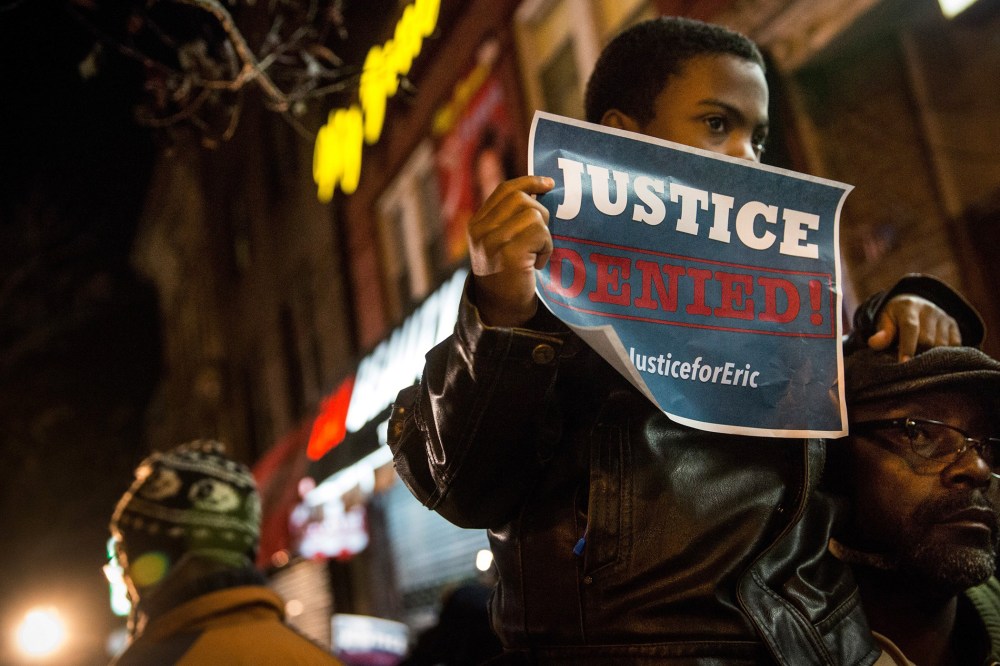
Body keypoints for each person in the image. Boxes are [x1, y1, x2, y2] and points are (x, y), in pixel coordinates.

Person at [388, 16, 979, 664]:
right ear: (621, 138)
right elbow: (464, 487)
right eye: (717, 123)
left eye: (757, 135)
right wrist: (500, 316)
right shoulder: (546, 307)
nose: (746, 156)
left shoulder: (786, 308)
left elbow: (862, 478)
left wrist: (904, 314)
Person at [824, 317, 1000, 665]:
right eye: (918, 432)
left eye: (986, 445)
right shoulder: (765, 638)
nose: (978, 469)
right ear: (830, 457)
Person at [107, 439, 342, 665]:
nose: (122, 573)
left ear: (188, 554)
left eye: (127, 553)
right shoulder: (316, 659)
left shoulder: (154, 661)